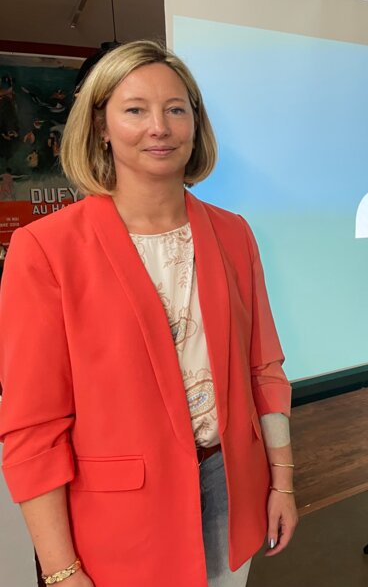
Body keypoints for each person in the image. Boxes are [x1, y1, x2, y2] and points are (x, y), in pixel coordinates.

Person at [0, 40, 298, 586]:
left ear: (194, 123)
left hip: (234, 488)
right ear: (100, 126)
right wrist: (62, 570)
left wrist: (282, 483)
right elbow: (34, 429)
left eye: (176, 108)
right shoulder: (46, 249)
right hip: (120, 520)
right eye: (135, 109)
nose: (159, 126)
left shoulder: (234, 233)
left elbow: (265, 371)